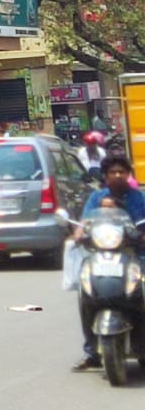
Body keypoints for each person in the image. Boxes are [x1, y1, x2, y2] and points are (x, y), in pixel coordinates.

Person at [73, 155, 145, 371]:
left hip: (135, 253)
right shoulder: (96, 197)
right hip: (103, 255)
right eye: (112, 172)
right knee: (85, 295)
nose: (117, 175)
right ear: (105, 176)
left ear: (128, 174)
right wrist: (78, 234)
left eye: (121, 171)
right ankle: (91, 352)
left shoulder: (138, 198)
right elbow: (84, 223)